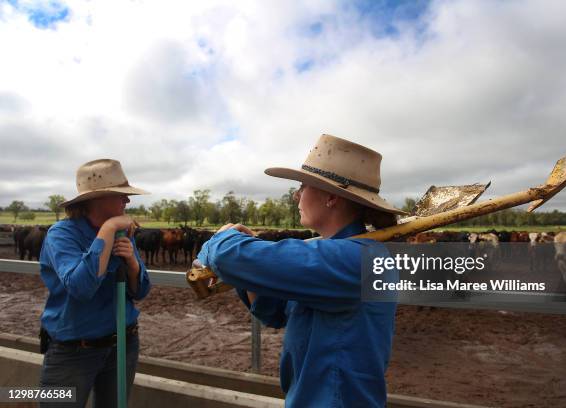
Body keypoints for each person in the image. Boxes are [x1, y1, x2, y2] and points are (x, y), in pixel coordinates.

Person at [197, 134, 406, 407]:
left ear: (331, 197)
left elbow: (225, 255)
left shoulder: (357, 259)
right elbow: (275, 312)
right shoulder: (340, 254)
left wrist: (220, 241)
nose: (296, 195)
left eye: (303, 186)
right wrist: (253, 273)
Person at [38, 159, 151, 408]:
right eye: (121, 195)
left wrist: (132, 265)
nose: (127, 201)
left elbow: (140, 291)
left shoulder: (124, 233)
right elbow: (81, 288)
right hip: (73, 351)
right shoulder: (62, 234)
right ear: (97, 199)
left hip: (124, 343)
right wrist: (108, 229)